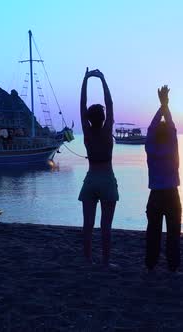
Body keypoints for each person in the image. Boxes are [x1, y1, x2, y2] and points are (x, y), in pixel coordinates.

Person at [78, 68, 118, 267]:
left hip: (91, 179)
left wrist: (85, 79)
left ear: (88, 118)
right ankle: (105, 262)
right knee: (106, 227)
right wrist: (102, 78)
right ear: (102, 118)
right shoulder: (107, 130)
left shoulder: (86, 132)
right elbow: (110, 104)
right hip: (107, 179)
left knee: (88, 225)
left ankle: (87, 260)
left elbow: (81, 104)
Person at [144, 85, 182, 272]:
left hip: (156, 195)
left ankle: (151, 263)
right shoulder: (172, 146)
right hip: (172, 194)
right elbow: (171, 126)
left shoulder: (150, 149)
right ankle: (172, 265)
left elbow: (152, 127)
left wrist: (162, 105)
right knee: (173, 232)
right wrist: (165, 104)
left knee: (153, 231)